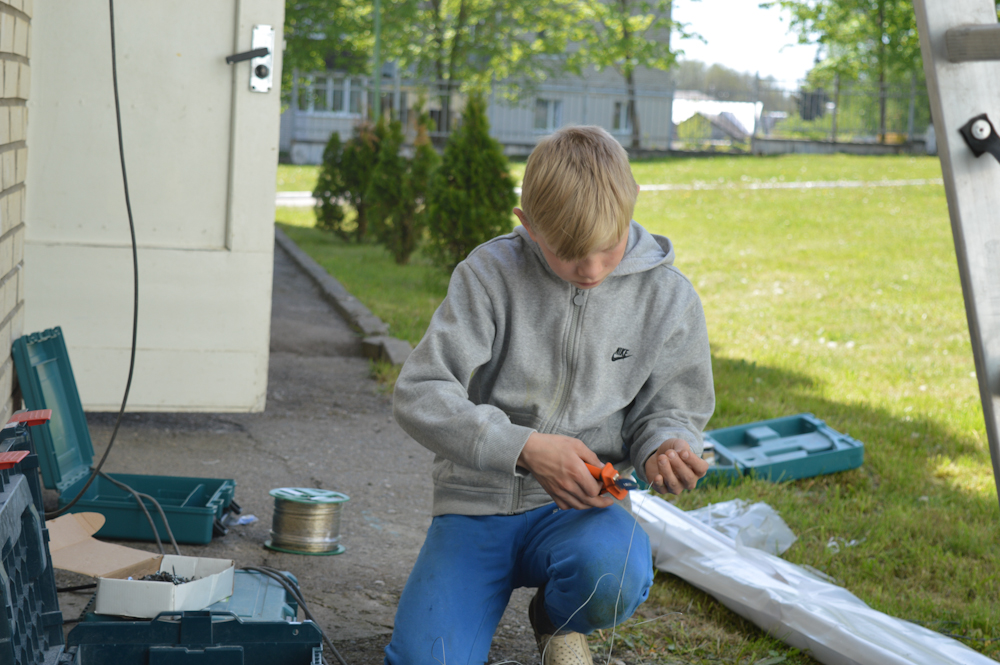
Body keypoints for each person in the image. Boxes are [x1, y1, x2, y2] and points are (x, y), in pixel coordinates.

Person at [386, 125, 715, 665]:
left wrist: (666, 444)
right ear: (528, 226)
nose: (589, 270)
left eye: (607, 249)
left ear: (630, 209)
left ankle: (557, 619)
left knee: (613, 574)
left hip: (584, 511)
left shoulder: (668, 297)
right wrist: (525, 448)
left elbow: (670, 408)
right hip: (475, 506)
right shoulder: (488, 275)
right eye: (566, 253)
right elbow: (420, 393)